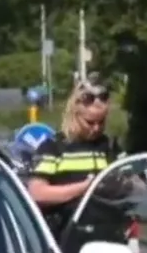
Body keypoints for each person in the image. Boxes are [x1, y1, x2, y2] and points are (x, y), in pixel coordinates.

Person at [28, 78, 118, 235]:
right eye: (90, 122)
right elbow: (37, 193)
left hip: (107, 235)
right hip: (66, 237)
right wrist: (85, 188)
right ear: (74, 115)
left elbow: (133, 185)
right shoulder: (54, 147)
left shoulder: (109, 146)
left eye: (101, 122)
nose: (96, 128)